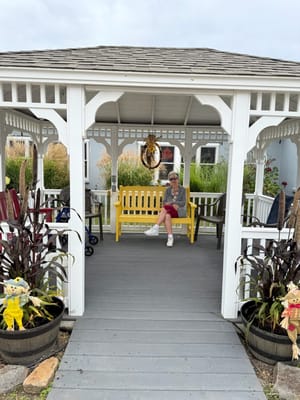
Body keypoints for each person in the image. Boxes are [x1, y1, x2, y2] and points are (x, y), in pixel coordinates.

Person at [144, 171, 186, 247]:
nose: (173, 180)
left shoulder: (182, 190)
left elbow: (183, 202)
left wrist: (174, 204)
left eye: (175, 178)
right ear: (169, 181)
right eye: (171, 179)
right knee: (167, 215)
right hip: (169, 210)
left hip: (178, 211)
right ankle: (170, 238)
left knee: (165, 208)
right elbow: (164, 202)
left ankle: (156, 227)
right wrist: (172, 204)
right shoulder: (167, 190)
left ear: (178, 179)